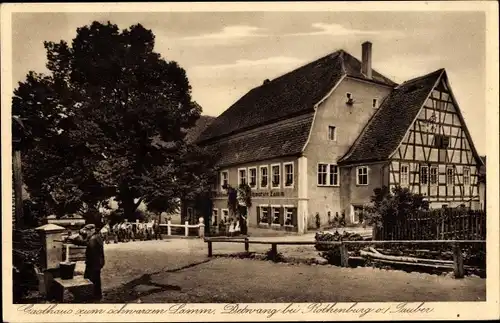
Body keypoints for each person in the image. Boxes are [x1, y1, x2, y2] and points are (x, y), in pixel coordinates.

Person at [80, 224, 105, 302]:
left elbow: (91, 253)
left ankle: (92, 296)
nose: (86, 233)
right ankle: (98, 295)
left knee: (90, 279)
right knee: (97, 279)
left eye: (87, 231)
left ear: (91, 230)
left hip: (93, 263)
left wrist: (88, 263)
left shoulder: (92, 239)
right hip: (98, 262)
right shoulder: (97, 237)